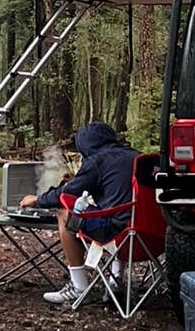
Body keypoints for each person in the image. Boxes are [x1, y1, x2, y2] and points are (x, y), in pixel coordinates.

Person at [22, 121, 138, 307]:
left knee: (64, 212)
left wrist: (36, 199)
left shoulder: (98, 160)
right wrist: (77, 181)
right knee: (126, 214)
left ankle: (79, 287)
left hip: (116, 233)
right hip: (147, 236)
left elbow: (66, 195)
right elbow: (115, 188)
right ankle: (115, 281)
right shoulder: (138, 157)